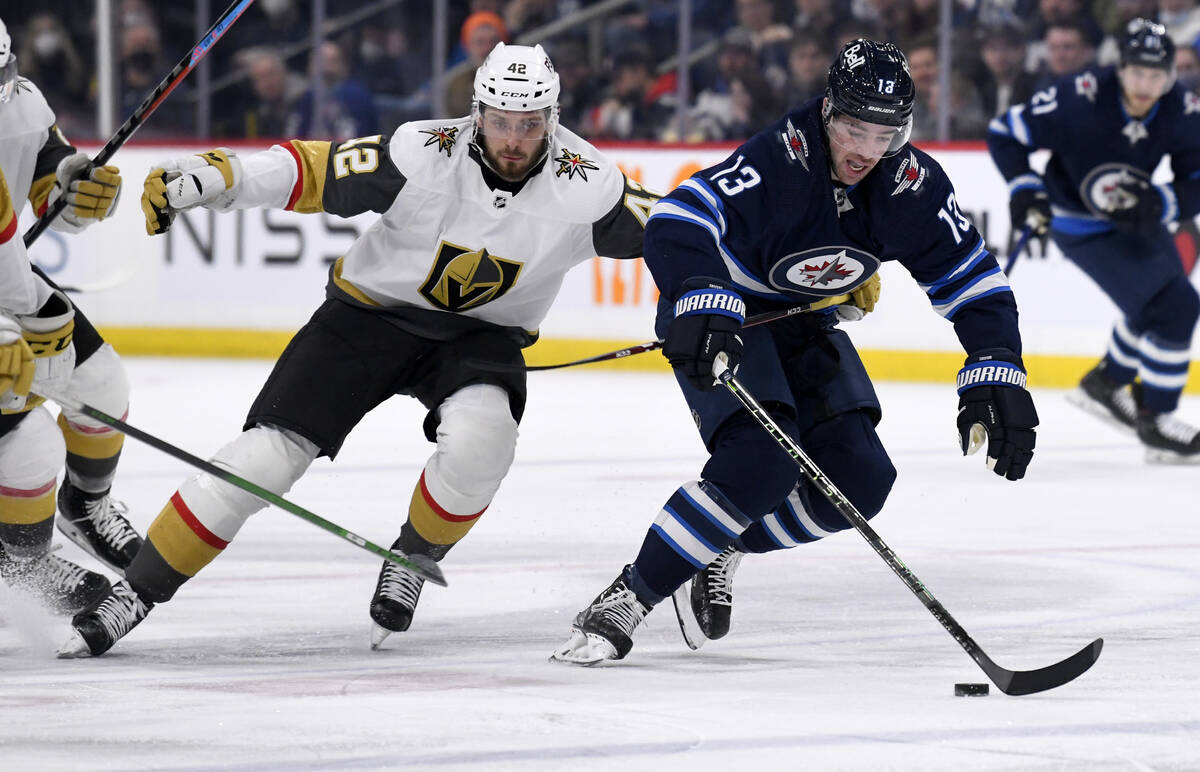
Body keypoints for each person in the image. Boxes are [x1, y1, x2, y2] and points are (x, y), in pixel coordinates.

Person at [59, 42, 663, 658]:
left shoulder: (591, 188)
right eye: (500, 121)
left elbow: (681, 230)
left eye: (529, 125)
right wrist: (220, 178)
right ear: (476, 112)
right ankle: (135, 591)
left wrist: (726, 293)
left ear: (552, 120)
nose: (512, 139)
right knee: (262, 461)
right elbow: (312, 171)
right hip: (366, 316)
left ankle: (414, 556)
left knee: (485, 442)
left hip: (481, 338)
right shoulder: (423, 153)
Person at [551, 39, 1039, 665]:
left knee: (862, 479)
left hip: (803, 321)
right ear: (830, 109)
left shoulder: (911, 185)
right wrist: (701, 295)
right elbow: (679, 216)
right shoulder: (784, 159)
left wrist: (996, 364)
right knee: (762, 459)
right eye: (855, 128)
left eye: (885, 134)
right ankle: (629, 596)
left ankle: (719, 544)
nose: (866, 150)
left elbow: (973, 280)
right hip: (721, 318)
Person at [988, 18, 1200, 462]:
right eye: (1137, 72)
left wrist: (1162, 203)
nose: (1146, 85)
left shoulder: (1181, 108)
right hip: (1078, 225)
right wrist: (1025, 187)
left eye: (1157, 75)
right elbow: (1005, 132)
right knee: (1176, 306)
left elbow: (1195, 175)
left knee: (1159, 307)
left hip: (1137, 218)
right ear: (1120, 68)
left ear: (1170, 76)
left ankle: (1104, 384)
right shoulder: (1076, 97)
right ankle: (1155, 419)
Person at [0, 16, 143, 612]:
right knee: (29, 442)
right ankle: (19, 564)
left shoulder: (21, 103)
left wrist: (71, 186)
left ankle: (85, 507)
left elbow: (43, 179)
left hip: (9, 284)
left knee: (103, 386)